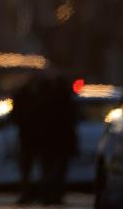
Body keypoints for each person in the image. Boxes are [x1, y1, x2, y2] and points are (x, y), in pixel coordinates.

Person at [37, 73, 77, 205]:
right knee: (57, 171)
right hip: (60, 142)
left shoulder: (44, 102)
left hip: (48, 142)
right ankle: (54, 195)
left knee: (49, 170)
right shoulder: (65, 102)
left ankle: (48, 196)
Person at [12, 72, 44, 203]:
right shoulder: (41, 94)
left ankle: (29, 194)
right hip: (35, 137)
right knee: (34, 168)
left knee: (27, 168)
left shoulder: (23, 95)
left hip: (27, 137)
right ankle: (39, 194)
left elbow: (15, 116)